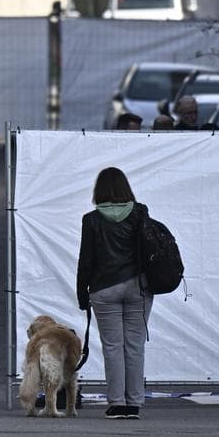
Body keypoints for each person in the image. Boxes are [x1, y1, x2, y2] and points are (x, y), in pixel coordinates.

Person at [76, 167, 152, 420]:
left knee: (112, 346)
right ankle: (134, 403)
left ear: (99, 191)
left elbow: (86, 260)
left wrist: (81, 294)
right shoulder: (140, 213)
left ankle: (117, 403)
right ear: (125, 188)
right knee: (135, 345)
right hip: (138, 287)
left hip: (104, 288)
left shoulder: (92, 219)